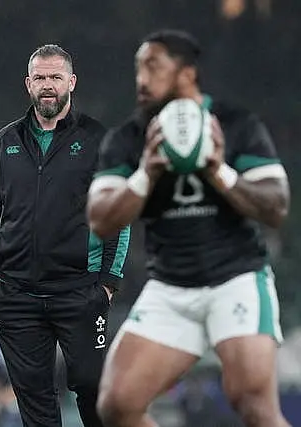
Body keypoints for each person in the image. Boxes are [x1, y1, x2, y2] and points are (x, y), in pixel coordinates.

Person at [87, 29, 291, 427]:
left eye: (153, 66)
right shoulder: (129, 139)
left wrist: (219, 172)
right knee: (116, 404)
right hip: (171, 287)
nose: (141, 79)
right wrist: (145, 174)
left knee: (252, 402)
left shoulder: (235, 124)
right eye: (138, 68)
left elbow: (277, 206)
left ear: (186, 74)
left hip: (236, 278)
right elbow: (100, 218)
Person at [0, 44, 130, 427]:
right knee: (34, 401)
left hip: (79, 291)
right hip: (16, 295)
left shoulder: (97, 139)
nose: (48, 85)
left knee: (94, 391)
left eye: (55, 77)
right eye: (40, 78)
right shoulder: (5, 141)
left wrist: (108, 283)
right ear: (28, 84)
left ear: (71, 82)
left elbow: (119, 214)